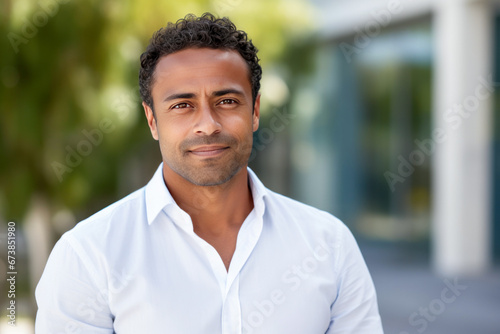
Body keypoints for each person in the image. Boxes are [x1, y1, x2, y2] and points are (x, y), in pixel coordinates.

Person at [35, 12, 384, 334]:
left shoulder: (329, 245)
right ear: (152, 120)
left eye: (227, 101)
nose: (207, 124)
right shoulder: (89, 254)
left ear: (255, 110)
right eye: (182, 106)